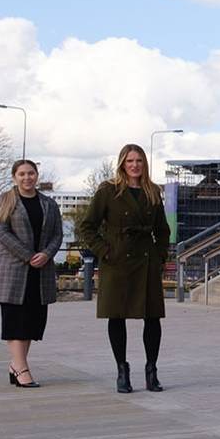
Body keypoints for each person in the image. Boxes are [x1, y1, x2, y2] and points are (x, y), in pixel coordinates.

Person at [77, 144, 169, 394]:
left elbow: (162, 230)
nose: (135, 165)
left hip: (146, 261)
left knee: (152, 317)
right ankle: (122, 370)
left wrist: (160, 255)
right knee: (116, 316)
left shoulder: (152, 191)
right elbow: (88, 227)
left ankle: (152, 370)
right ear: (122, 163)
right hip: (116, 263)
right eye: (130, 161)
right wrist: (105, 251)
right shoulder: (109, 190)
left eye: (139, 160)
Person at [0, 159, 60, 389]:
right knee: (14, 320)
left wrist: (47, 254)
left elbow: (57, 235)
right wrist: (28, 255)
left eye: (31, 173)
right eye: (22, 174)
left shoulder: (48, 204)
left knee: (31, 320)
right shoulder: (4, 201)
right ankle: (22, 369)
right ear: (14, 177)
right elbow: (2, 232)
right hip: (14, 270)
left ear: (37, 175)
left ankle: (16, 365)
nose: (27, 178)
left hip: (40, 272)